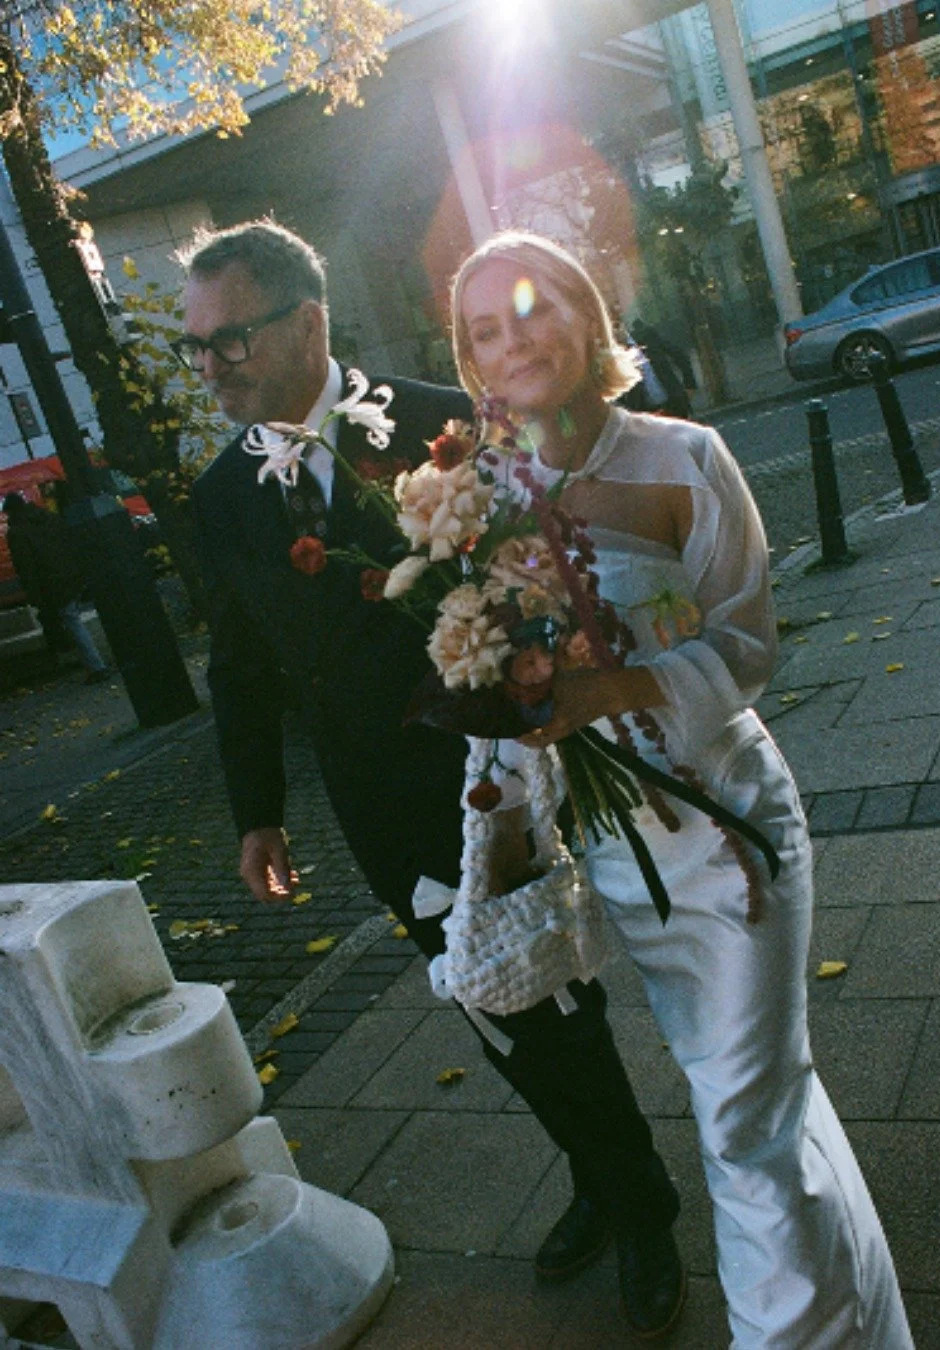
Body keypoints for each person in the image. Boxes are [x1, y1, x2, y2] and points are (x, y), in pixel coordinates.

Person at [179, 221, 685, 1339]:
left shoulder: (433, 422)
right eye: (197, 349)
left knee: (551, 992)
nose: (210, 367)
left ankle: (641, 1202)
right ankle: (599, 1174)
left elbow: (537, 576)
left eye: (230, 342)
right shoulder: (217, 498)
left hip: (495, 775)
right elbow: (240, 664)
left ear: (308, 323)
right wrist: (257, 811)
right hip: (377, 806)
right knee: (488, 1006)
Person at [450, 230, 915, 1349]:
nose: (513, 340)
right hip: (627, 864)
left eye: (534, 307)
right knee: (763, 1107)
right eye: (483, 330)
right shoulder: (476, 497)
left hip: (732, 834)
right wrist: (503, 800)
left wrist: (611, 688)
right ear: (468, 362)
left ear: (588, 313)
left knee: (744, 1130)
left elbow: (748, 647)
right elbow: (493, 681)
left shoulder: (684, 457)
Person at [2, 492, 110, 683]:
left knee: (71, 622)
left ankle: (96, 666)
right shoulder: (48, 518)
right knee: (73, 617)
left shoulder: (17, 533)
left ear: (10, 511)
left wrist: (34, 595)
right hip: (71, 575)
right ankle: (92, 660)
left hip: (51, 584)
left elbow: (27, 568)